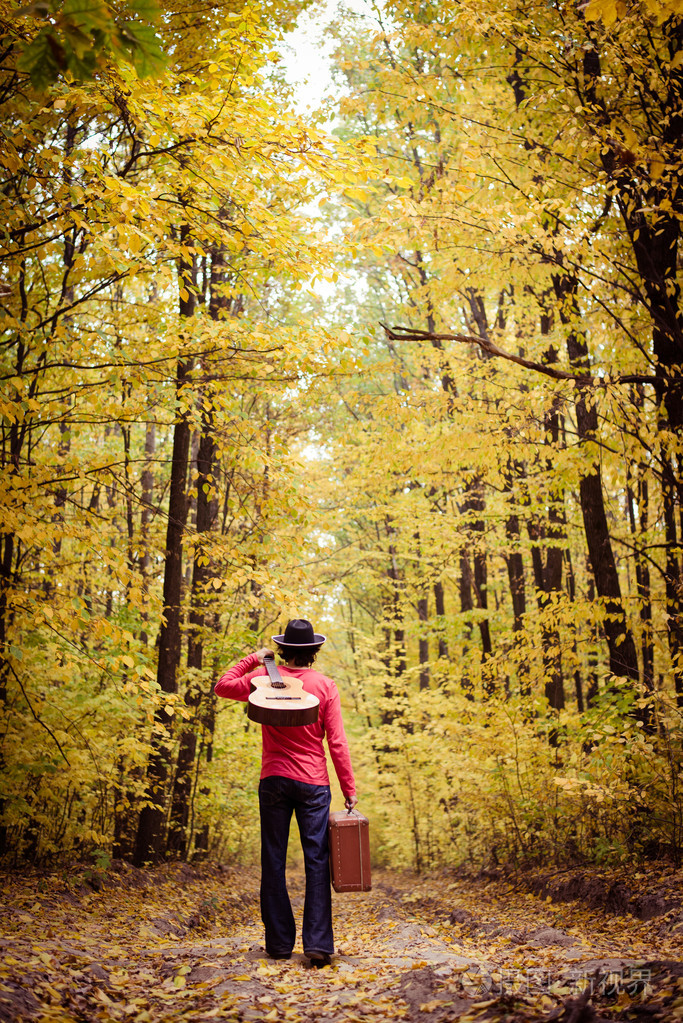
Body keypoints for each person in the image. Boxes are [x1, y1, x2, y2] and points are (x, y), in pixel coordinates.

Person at [215, 618, 357, 968]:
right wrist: (349, 789)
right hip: (314, 783)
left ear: (282, 651)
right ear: (314, 652)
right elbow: (337, 742)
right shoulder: (325, 685)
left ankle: (279, 944)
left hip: (274, 779)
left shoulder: (264, 679)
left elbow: (222, 686)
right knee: (317, 860)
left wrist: (253, 658)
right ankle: (318, 945)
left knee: (273, 859)